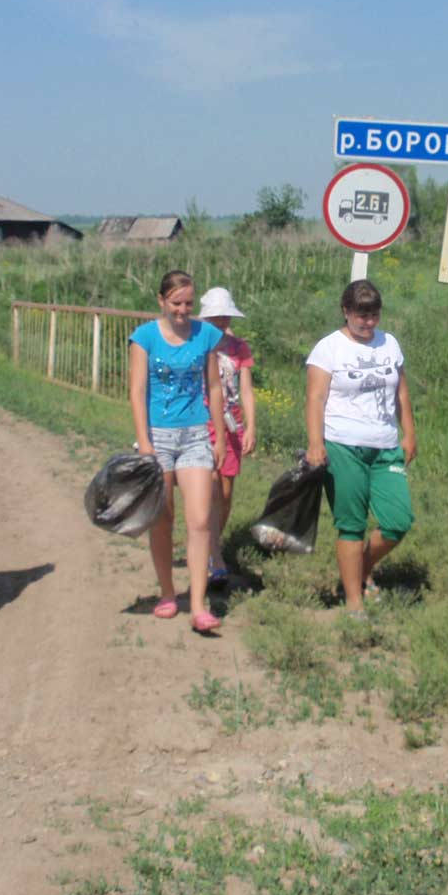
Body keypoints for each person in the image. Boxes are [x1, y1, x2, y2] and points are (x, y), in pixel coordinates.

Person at [304, 279, 417, 614]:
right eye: (361, 316)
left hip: (385, 446)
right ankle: (354, 603)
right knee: (351, 523)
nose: (368, 323)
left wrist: (409, 433)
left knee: (398, 520)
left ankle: (360, 570)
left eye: (374, 316)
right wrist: (315, 443)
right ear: (346, 311)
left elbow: (402, 393)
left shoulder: (390, 343)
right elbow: (315, 398)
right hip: (343, 445)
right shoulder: (329, 348)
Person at [128, 270, 227, 633]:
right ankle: (168, 592)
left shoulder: (207, 335)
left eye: (188, 303)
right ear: (161, 301)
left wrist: (218, 437)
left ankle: (199, 605)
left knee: (200, 519)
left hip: (196, 435)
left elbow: (214, 387)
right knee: (163, 518)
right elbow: (137, 392)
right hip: (158, 437)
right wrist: (145, 443)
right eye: (176, 303)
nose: (183, 310)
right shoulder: (144, 337)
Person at [198, 286, 256, 587]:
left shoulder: (239, 348)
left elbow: (246, 389)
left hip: (232, 424)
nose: (221, 322)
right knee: (209, 487)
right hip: (201, 422)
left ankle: (211, 544)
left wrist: (251, 426)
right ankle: (211, 553)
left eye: (225, 316)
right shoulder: (196, 344)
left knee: (227, 490)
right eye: (215, 316)